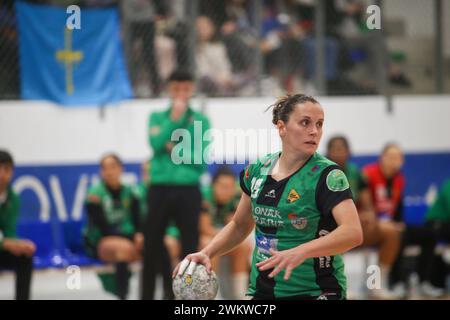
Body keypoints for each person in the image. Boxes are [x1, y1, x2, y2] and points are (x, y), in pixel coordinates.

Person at [174, 94, 362, 300]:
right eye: (305, 123)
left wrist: (301, 251)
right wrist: (208, 252)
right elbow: (239, 225)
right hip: (264, 291)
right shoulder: (256, 171)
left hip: (318, 291)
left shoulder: (328, 175)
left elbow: (353, 232)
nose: (314, 131)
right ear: (282, 128)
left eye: (319, 124)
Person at [142, 70, 211, 300]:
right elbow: (155, 143)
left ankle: (185, 298)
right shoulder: (157, 117)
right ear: (169, 89)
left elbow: (200, 161)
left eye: (186, 89)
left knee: (190, 248)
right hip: (159, 188)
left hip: (188, 190)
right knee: (150, 246)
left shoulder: (201, 121)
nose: (181, 93)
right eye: (176, 89)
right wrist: (174, 120)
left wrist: (174, 148)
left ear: (191, 90)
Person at [327, 136, 402, 299]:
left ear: (349, 152)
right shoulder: (320, 172)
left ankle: (376, 285)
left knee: (390, 232)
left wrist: (368, 213)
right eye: (335, 148)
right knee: (339, 231)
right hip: (329, 227)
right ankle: (340, 286)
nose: (339, 152)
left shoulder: (355, 172)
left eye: (342, 148)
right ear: (328, 152)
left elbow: (367, 203)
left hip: (356, 224)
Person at [364, 144, 441, 298]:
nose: (394, 161)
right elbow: (364, 205)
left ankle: (424, 281)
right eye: (391, 156)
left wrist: (398, 222)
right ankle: (397, 282)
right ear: (381, 158)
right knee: (398, 235)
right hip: (372, 226)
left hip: (391, 224)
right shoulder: (368, 174)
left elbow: (397, 206)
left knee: (430, 234)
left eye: (398, 157)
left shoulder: (399, 178)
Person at [83, 153, 143, 300]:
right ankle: (123, 296)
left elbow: (138, 221)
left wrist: (139, 235)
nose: (109, 172)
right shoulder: (94, 194)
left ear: (120, 169)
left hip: (128, 240)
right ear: (100, 172)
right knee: (123, 249)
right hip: (100, 240)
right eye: (105, 168)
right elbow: (102, 227)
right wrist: (131, 237)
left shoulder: (131, 192)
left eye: (113, 167)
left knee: (152, 245)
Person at [199, 166, 251, 299]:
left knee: (243, 246)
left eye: (230, 187)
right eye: (222, 186)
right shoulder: (204, 196)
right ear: (213, 185)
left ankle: (240, 295)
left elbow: (236, 226)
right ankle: (213, 295)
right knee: (210, 246)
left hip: (219, 235)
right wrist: (224, 235)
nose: (226, 191)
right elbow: (204, 228)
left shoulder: (237, 197)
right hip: (201, 237)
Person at [0, 150, 35, 300]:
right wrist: (7, 243)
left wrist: (17, 245)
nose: (1, 174)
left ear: (12, 172)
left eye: (6, 169)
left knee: (24, 256)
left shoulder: (13, 198)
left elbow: (9, 231)